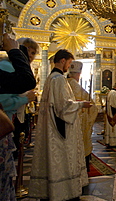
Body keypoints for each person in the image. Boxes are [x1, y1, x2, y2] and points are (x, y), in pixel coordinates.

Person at [29, 49, 92, 201]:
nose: (68, 67)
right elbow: (63, 107)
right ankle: (64, 191)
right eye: (69, 63)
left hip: (55, 127)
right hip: (61, 131)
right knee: (64, 162)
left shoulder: (51, 78)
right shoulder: (58, 79)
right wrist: (81, 104)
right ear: (62, 61)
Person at [0, 33, 36, 201]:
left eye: (33, 53)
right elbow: (4, 101)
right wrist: (24, 99)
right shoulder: (7, 66)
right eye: (27, 52)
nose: (30, 57)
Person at [67, 61, 98, 168]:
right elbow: (92, 106)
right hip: (79, 119)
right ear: (78, 74)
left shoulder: (64, 83)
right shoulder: (76, 86)